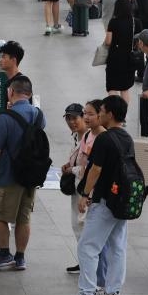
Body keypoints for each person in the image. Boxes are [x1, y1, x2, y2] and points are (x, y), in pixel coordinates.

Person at [68, 96, 131, 295]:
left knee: (87, 246)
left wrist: (85, 195)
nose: (98, 114)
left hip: (105, 200)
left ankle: (87, 292)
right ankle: (113, 291)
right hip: (122, 201)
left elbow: (95, 169)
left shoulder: (104, 138)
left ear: (110, 114)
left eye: (101, 111)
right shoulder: (126, 137)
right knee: (117, 247)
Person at [0, 76, 45, 272]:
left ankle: (4, 254)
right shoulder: (37, 114)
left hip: (7, 175)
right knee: (23, 217)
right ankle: (20, 257)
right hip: (30, 176)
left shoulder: (5, 118)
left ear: (11, 92)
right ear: (28, 93)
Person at [61, 103, 90, 272]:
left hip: (85, 189)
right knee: (77, 224)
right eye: (68, 118)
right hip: (77, 187)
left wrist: (71, 169)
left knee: (82, 224)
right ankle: (84, 260)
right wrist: (69, 164)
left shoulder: (88, 139)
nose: (72, 122)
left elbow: (87, 169)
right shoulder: (77, 137)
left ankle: (88, 263)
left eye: (75, 118)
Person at [104, 0, 137, 103]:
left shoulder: (113, 22)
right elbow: (139, 42)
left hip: (115, 58)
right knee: (124, 88)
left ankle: (115, 114)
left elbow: (108, 42)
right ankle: (123, 114)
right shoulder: (136, 22)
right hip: (129, 58)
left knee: (112, 87)